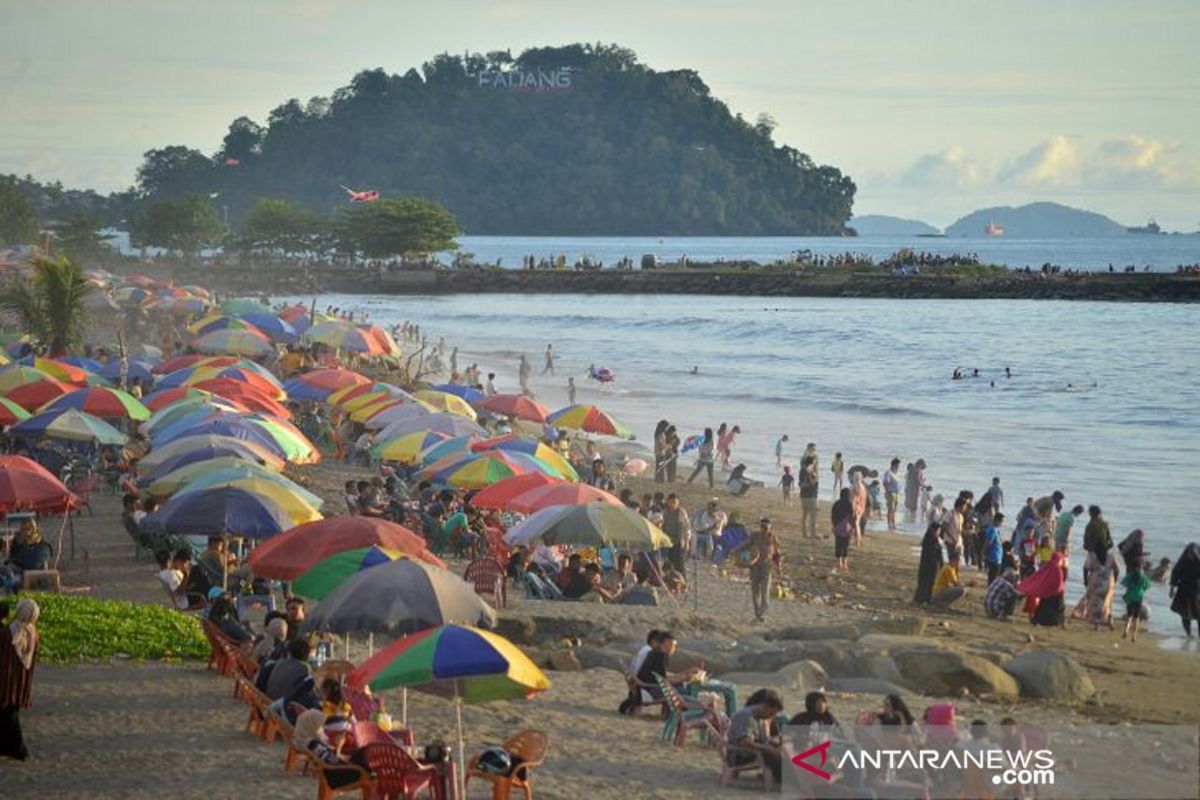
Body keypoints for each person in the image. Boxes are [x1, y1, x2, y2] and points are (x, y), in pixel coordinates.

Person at [0, 599, 39, 760]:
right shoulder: (34, 633)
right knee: (9, 714)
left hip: (7, 680)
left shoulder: (9, 633)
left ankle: (19, 750)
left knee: (8, 715)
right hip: (21, 681)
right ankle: (8, 748)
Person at [726, 690, 784, 785]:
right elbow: (744, 742)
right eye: (771, 713)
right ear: (764, 706)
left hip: (755, 750)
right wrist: (770, 749)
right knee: (779, 756)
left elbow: (764, 738)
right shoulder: (745, 716)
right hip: (740, 755)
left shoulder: (762, 717)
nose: (772, 716)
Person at [731, 518, 781, 622]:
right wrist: (738, 553)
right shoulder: (754, 536)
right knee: (755, 592)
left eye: (765, 527)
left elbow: (776, 554)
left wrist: (778, 567)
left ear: (770, 528)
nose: (763, 529)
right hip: (755, 566)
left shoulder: (773, 538)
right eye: (762, 527)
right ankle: (757, 614)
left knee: (764, 591)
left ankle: (761, 612)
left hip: (767, 567)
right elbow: (746, 546)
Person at [1018, 551, 1067, 626]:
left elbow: (1038, 576)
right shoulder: (1058, 569)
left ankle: (1038, 620)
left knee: (1043, 607)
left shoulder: (1047, 565)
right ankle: (1057, 622)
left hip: (1046, 593)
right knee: (1058, 608)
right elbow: (1060, 583)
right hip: (1056, 594)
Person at [1084, 546, 1121, 631]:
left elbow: (1085, 568)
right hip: (1107, 582)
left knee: (1094, 603)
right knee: (1106, 603)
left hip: (1094, 582)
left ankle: (1097, 624)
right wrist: (1114, 580)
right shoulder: (1111, 556)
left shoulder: (1092, 556)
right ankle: (1108, 618)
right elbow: (1117, 570)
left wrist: (1086, 580)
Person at [1169, 543, 1200, 636]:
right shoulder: (1182, 562)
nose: (1190, 555)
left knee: (1199, 615)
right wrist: (1172, 589)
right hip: (1183, 590)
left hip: (1196, 591)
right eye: (1188, 553)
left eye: (1192, 553)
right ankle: (1188, 634)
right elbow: (1175, 574)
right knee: (1185, 615)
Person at [913, 520, 945, 604]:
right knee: (925, 582)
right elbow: (934, 552)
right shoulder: (930, 539)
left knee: (929, 582)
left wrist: (941, 564)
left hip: (930, 564)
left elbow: (939, 554)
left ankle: (926, 599)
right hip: (928, 564)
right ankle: (921, 599)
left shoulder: (933, 538)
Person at [660, 494, 691, 573]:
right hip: (668, 541)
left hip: (679, 541)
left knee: (680, 564)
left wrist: (687, 542)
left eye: (674, 502)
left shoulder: (681, 512)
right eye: (671, 502)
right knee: (669, 563)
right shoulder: (664, 512)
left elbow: (686, 528)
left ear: (678, 503)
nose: (673, 504)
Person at [1121, 562, 1150, 642]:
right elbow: (1148, 586)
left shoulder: (1130, 576)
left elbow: (1123, 583)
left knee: (1129, 615)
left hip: (1130, 597)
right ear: (1141, 568)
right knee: (1137, 617)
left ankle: (1126, 630)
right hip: (1139, 597)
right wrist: (1142, 589)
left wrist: (1130, 586)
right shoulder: (1143, 577)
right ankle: (1134, 636)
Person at [831, 488, 854, 571]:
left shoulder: (836, 504)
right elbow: (852, 517)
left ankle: (839, 563)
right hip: (847, 528)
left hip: (838, 527)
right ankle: (845, 564)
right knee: (845, 546)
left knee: (838, 545)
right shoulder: (850, 504)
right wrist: (853, 527)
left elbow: (833, 515)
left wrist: (834, 525)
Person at [798, 455, 819, 539]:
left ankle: (804, 533)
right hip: (810, 495)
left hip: (804, 495)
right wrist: (814, 479)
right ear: (812, 462)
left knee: (805, 515)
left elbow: (800, 483)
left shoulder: (802, 470)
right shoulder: (808, 471)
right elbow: (810, 483)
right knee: (812, 516)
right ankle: (812, 533)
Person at [982, 512, 1005, 583]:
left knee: (995, 578)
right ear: (996, 520)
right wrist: (985, 554)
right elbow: (988, 543)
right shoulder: (992, 530)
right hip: (993, 558)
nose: (1002, 523)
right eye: (1001, 521)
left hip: (997, 557)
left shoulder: (996, 529)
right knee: (993, 579)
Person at [882, 458, 902, 532]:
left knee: (894, 509)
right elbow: (885, 482)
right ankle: (889, 524)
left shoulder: (895, 473)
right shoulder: (888, 473)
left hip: (896, 493)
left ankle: (893, 523)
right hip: (891, 493)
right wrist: (887, 491)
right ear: (895, 465)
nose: (899, 467)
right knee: (890, 509)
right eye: (898, 466)